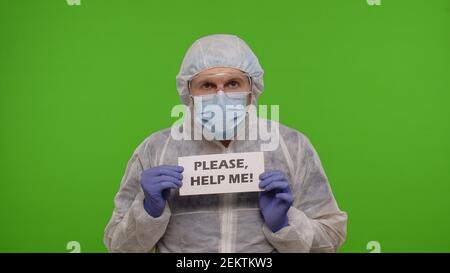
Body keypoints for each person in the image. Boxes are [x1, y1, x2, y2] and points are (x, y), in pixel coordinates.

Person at [103, 34, 347, 252]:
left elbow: (331, 237)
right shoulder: (155, 150)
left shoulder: (291, 147)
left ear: (252, 89)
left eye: (233, 83)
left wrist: (286, 223)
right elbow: (118, 246)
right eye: (207, 85)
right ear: (189, 94)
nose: (221, 95)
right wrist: (147, 211)